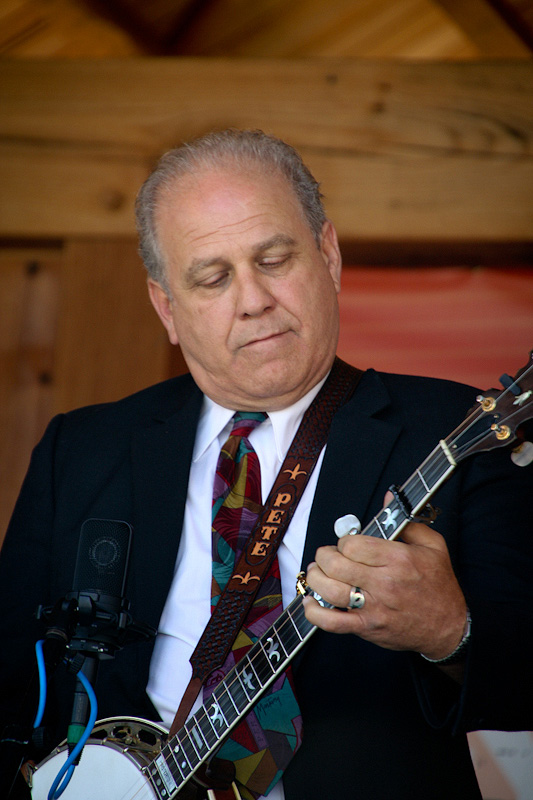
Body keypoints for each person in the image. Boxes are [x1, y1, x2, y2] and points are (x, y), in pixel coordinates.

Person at [0, 128, 532, 800]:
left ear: (328, 256)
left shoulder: (455, 430)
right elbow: (10, 690)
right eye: (213, 277)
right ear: (166, 307)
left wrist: (451, 632)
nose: (252, 299)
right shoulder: (81, 448)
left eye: (274, 260)